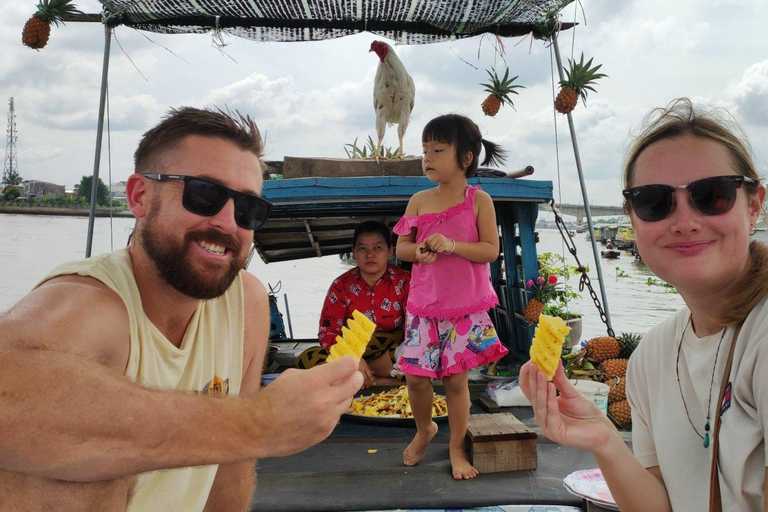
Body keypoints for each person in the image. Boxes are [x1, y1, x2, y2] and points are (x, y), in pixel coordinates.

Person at [0, 107, 363, 511]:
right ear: (140, 196)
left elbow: (231, 467)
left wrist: (247, 433)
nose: (228, 222)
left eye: (248, 210)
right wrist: (258, 423)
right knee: (68, 461)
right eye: (204, 194)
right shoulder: (93, 302)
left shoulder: (245, 301)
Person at [520, 98, 768, 511]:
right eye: (654, 201)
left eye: (713, 195)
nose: (685, 220)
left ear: (754, 204)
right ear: (634, 220)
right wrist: (603, 438)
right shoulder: (652, 356)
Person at [393, 113, 509, 480]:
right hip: (424, 307)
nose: (427, 157)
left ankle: (456, 448)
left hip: (464, 308)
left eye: (437, 149)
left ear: (465, 158)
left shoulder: (479, 200)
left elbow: (490, 250)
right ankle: (425, 427)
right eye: (424, 150)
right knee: (415, 377)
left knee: (456, 381)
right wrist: (420, 253)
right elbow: (402, 248)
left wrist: (454, 245)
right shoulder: (418, 201)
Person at [298, 220, 409, 388]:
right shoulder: (341, 285)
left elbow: (415, 328)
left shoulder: (404, 281)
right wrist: (354, 358)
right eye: (362, 248)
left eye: (377, 247)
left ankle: (364, 378)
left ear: (390, 251)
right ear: (354, 252)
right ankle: (379, 381)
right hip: (351, 354)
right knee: (306, 359)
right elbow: (327, 332)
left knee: (416, 356)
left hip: (388, 356)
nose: (370, 254)